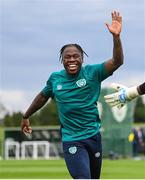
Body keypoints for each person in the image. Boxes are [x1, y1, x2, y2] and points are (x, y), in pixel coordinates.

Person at [21, 11, 123, 179]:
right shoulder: (55, 79)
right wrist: (26, 115)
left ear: (82, 59)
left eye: (76, 56)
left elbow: (117, 61)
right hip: (72, 139)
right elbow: (42, 97)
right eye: (67, 57)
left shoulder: (93, 73)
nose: (71, 59)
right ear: (62, 60)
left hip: (93, 136)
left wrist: (116, 37)